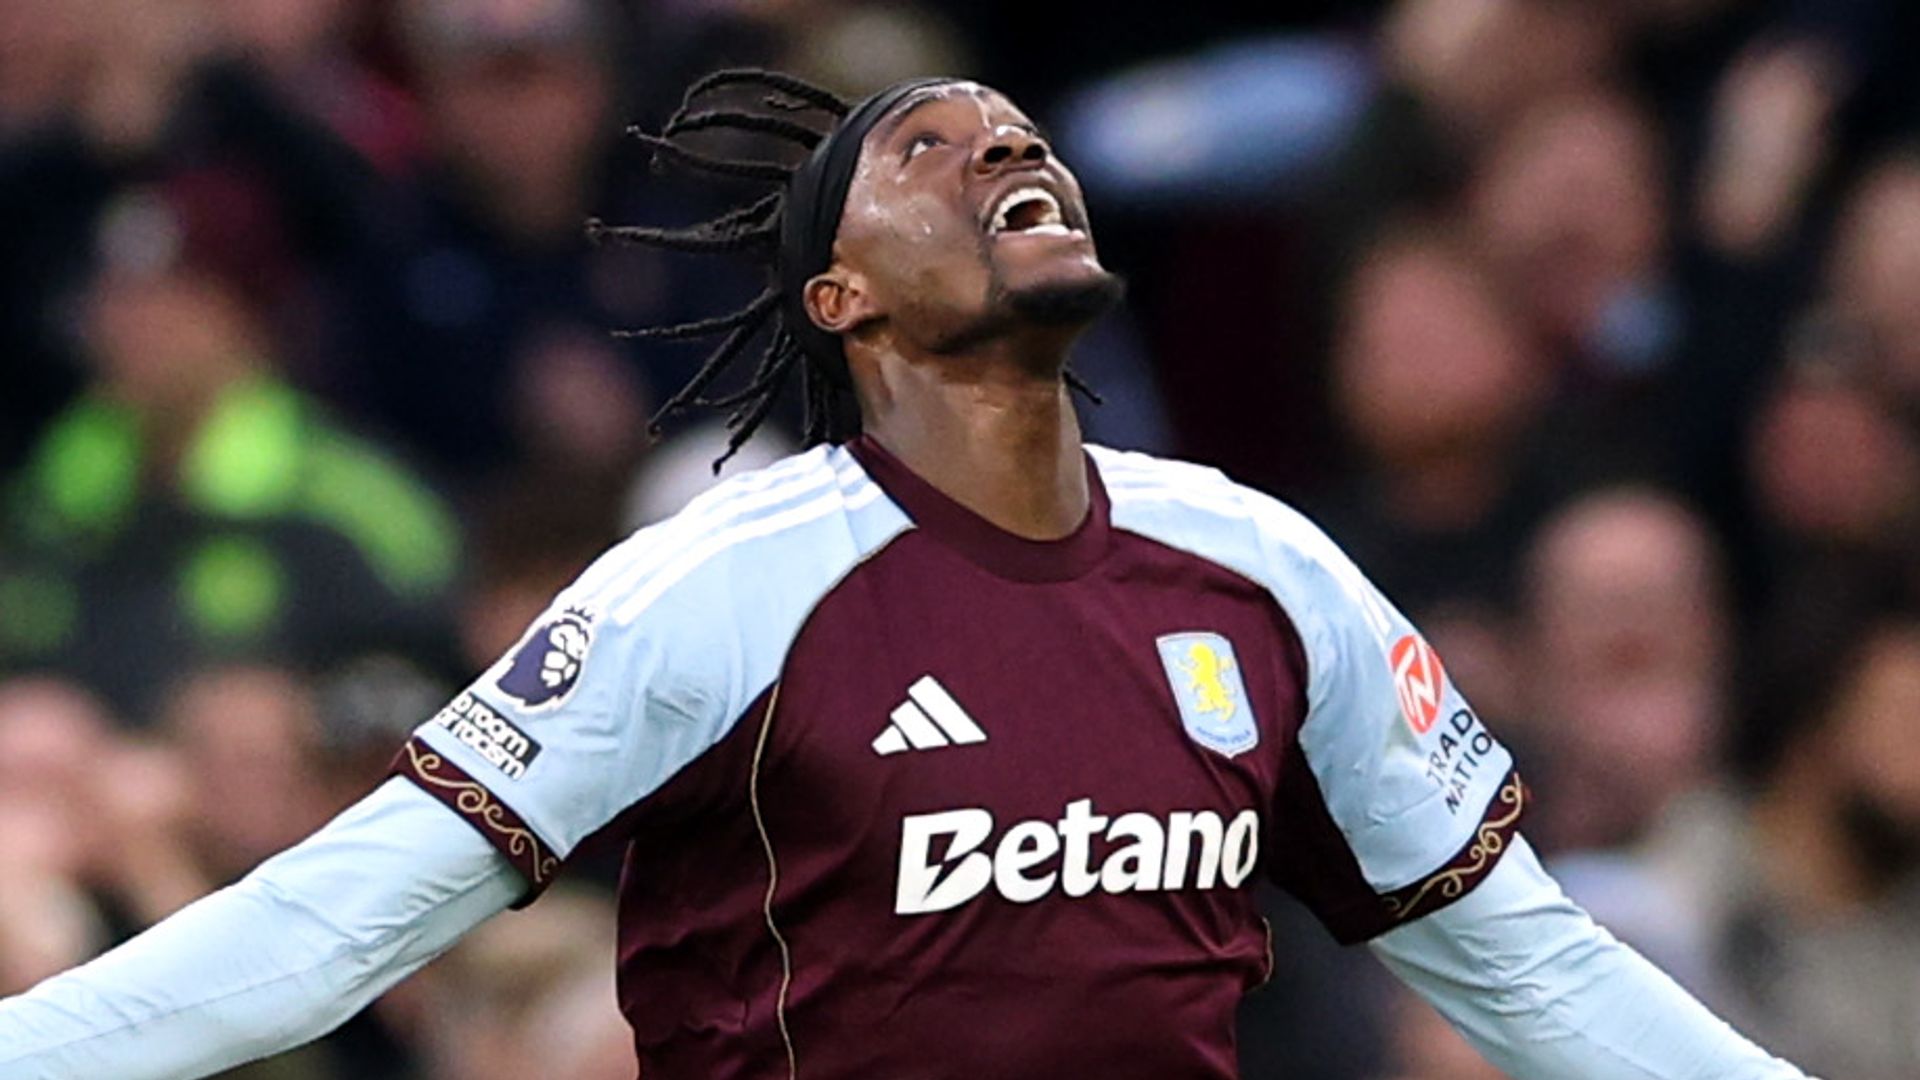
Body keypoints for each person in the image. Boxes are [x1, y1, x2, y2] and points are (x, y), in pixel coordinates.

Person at [0, 70, 1809, 1079]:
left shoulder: (1264, 572)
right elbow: (326, 925)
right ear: (841, 297)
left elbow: (1534, 975)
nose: (1004, 148)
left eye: (1018, 132)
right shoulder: (712, 590)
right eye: (925, 151)